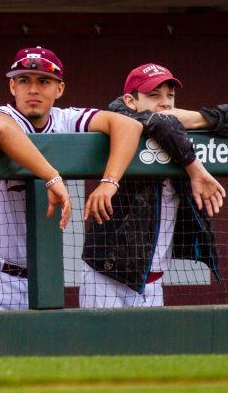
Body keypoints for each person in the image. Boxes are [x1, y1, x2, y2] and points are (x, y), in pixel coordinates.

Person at [0, 46, 143, 312]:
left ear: (59, 89)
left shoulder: (65, 120)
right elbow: (1, 129)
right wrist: (51, 177)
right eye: (24, 80)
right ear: (12, 86)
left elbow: (129, 125)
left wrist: (109, 182)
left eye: (44, 81)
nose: (33, 89)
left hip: (36, 279)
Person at [80, 63, 225, 308]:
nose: (166, 102)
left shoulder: (178, 136)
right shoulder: (122, 117)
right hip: (107, 275)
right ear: (131, 100)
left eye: (170, 96)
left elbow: (169, 122)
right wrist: (196, 169)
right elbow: (160, 123)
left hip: (153, 278)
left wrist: (196, 120)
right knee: (102, 347)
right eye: (154, 95)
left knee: (149, 347)